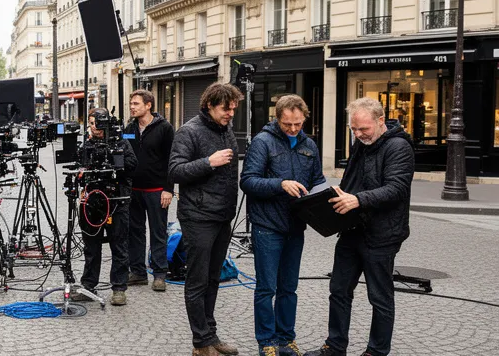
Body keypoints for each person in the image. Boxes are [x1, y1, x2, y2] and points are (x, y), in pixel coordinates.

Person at [304, 98, 414, 356]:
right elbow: (353, 179)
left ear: (380, 121)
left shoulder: (399, 147)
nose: (358, 134)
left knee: (380, 296)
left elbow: (396, 188)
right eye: (353, 129)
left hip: (383, 234)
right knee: (339, 290)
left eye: (363, 129)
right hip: (353, 229)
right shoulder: (360, 144)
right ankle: (335, 346)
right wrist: (339, 193)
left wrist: (358, 199)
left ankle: (376, 351)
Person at [241, 95, 326, 356]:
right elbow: (247, 181)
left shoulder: (309, 145)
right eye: (287, 124)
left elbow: (318, 180)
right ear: (277, 118)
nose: (292, 129)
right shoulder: (262, 142)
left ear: (304, 118)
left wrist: (329, 193)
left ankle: (286, 338)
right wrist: (280, 184)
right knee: (267, 288)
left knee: (289, 288)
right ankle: (266, 341)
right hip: (267, 226)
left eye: (298, 124)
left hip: (295, 226)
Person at [169, 82, 244, 356]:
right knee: (198, 281)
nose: (230, 114)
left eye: (234, 109)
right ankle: (200, 344)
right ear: (210, 105)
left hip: (222, 216)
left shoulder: (226, 130)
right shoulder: (188, 131)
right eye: (226, 108)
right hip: (198, 217)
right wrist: (208, 162)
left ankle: (210, 335)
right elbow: (175, 171)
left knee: (214, 279)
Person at [72, 108, 137, 307]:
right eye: (91, 123)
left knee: (119, 246)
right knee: (91, 247)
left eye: (97, 123)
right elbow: (78, 168)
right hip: (93, 202)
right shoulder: (87, 145)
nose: (94, 127)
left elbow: (132, 165)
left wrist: (116, 165)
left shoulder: (121, 143)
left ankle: (119, 289)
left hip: (117, 200)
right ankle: (88, 285)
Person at [124, 89, 176, 292]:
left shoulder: (165, 128)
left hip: (157, 190)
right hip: (134, 190)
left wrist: (168, 189)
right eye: (131, 103)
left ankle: (160, 274)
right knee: (134, 232)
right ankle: (137, 272)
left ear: (148, 105)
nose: (132, 107)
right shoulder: (129, 128)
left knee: (158, 232)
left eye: (136, 103)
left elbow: (172, 160)